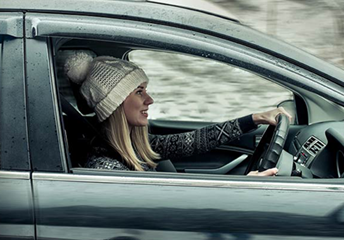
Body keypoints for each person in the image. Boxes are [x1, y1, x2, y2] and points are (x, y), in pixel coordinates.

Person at [64, 52, 291, 176]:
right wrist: (242, 190)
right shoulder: (105, 168)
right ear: (115, 104)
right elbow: (166, 208)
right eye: (139, 92)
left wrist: (254, 118)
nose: (150, 100)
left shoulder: (132, 146)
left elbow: (191, 142)